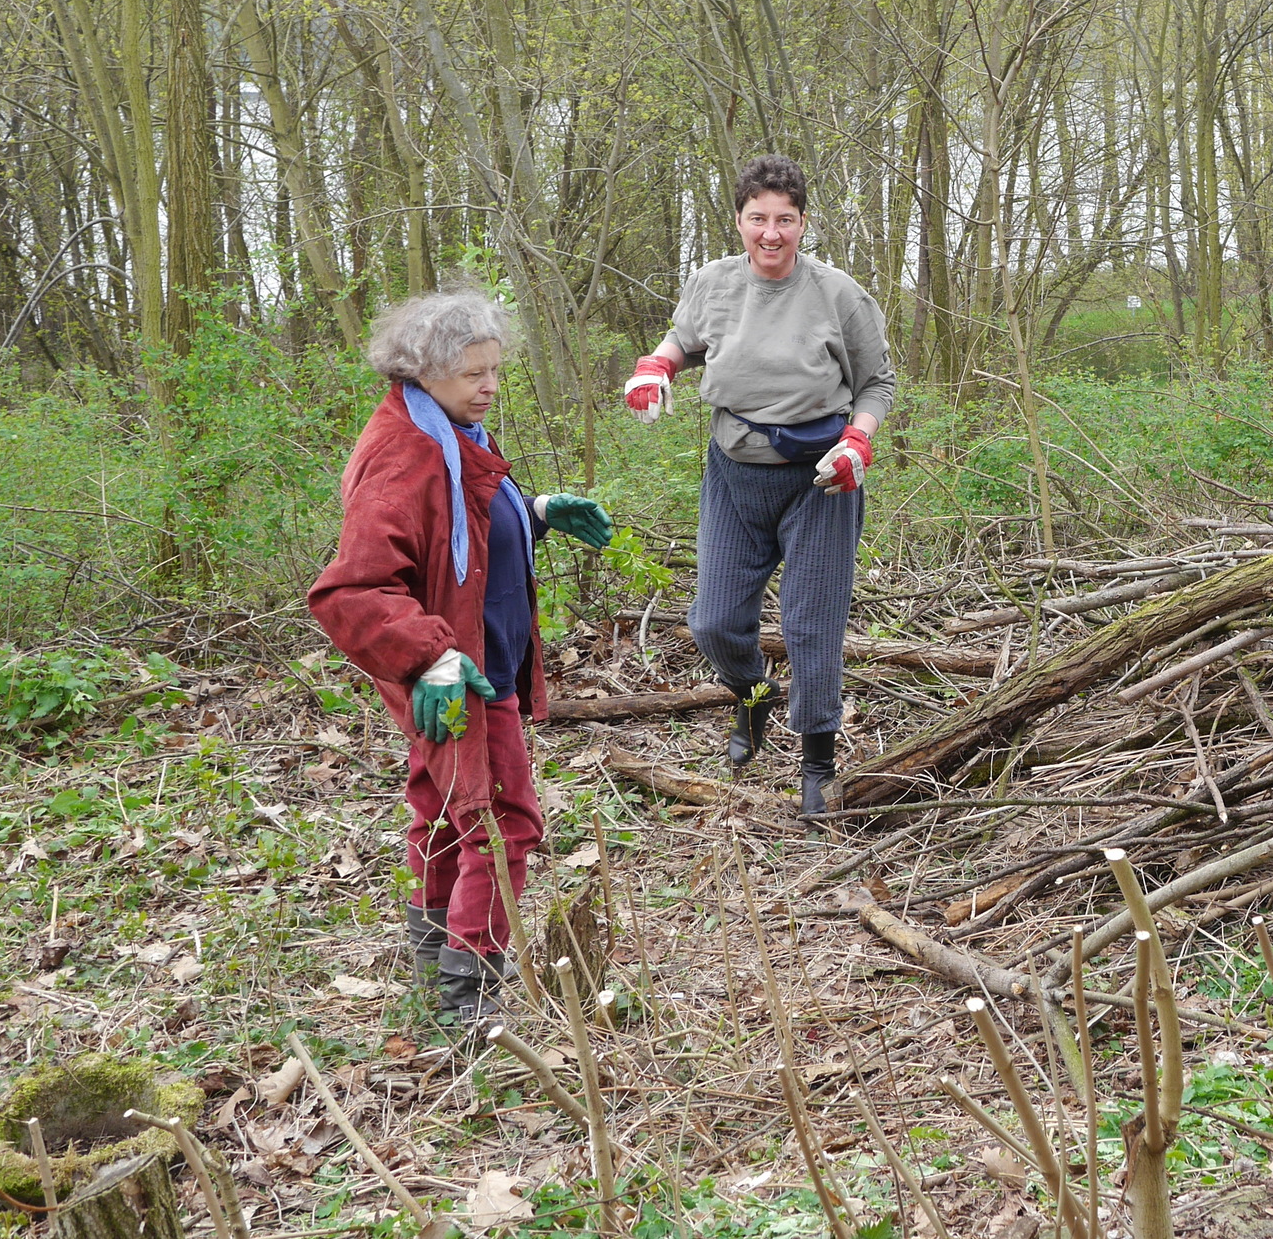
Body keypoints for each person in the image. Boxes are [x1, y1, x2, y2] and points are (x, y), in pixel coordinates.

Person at [310, 286, 613, 1031]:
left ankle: (433, 963)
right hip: (454, 674)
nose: (489, 386)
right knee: (504, 822)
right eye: (474, 373)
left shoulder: (452, 435)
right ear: (423, 370)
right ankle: (466, 1004)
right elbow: (353, 589)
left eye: (496, 370)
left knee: (445, 814)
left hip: (471, 662)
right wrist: (432, 657)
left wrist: (533, 514)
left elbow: (459, 540)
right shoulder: (405, 453)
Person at [622, 155, 894, 816]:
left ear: (804, 223)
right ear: (739, 220)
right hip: (734, 474)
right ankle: (752, 693)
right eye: (757, 219)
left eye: (785, 220)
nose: (771, 233)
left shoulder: (838, 295)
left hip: (821, 481)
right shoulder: (713, 283)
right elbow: (682, 342)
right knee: (713, 622)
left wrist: (859, 439)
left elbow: (877, 384)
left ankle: (818, 763)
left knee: (810, 626)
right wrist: (656, 368)